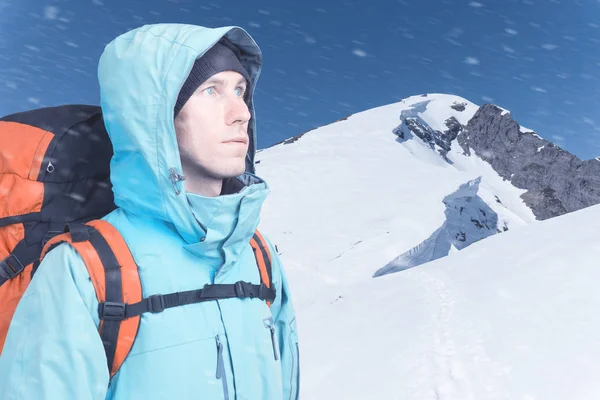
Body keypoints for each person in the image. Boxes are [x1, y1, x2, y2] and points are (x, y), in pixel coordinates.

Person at [0, 23, 300, 399]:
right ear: (155, 117)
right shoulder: (85, 268)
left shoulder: (258, 254)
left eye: (241, 91)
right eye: (211, 91)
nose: (241, 113)